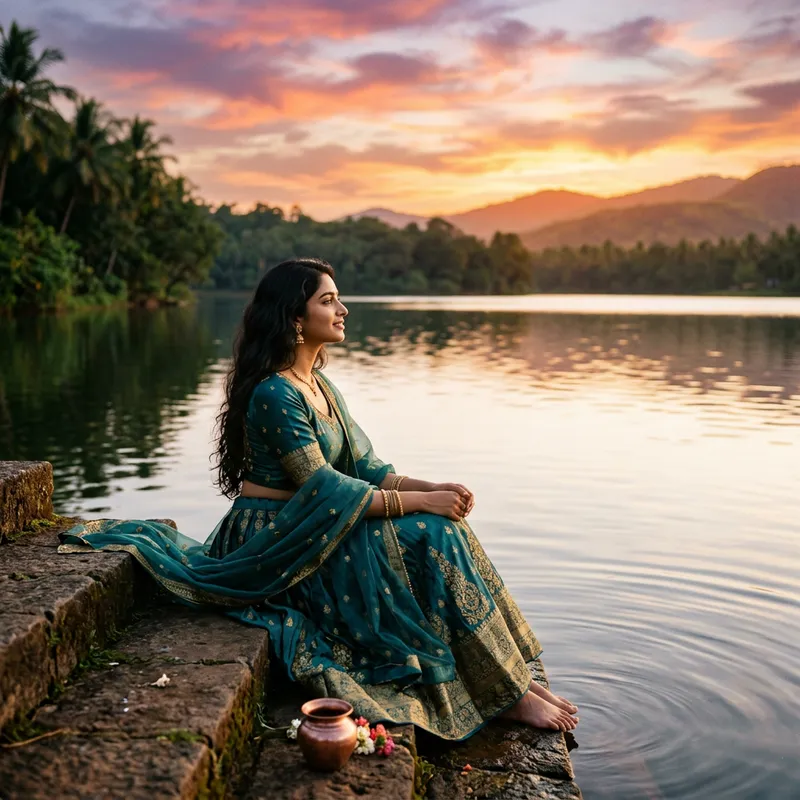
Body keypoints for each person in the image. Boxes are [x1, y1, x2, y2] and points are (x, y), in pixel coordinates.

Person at [59, 258, 578, 739]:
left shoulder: (321, 386)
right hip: (277, 531)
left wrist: (432, 489)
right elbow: (321, 488)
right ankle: (503, 692)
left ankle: (503, 680)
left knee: (447, 524)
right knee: (431, 531)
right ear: (295, 317)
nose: (342, 308)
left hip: (320, 519)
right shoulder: (273, 393)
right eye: (328, 300)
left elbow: (368, 469)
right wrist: (421, 506)